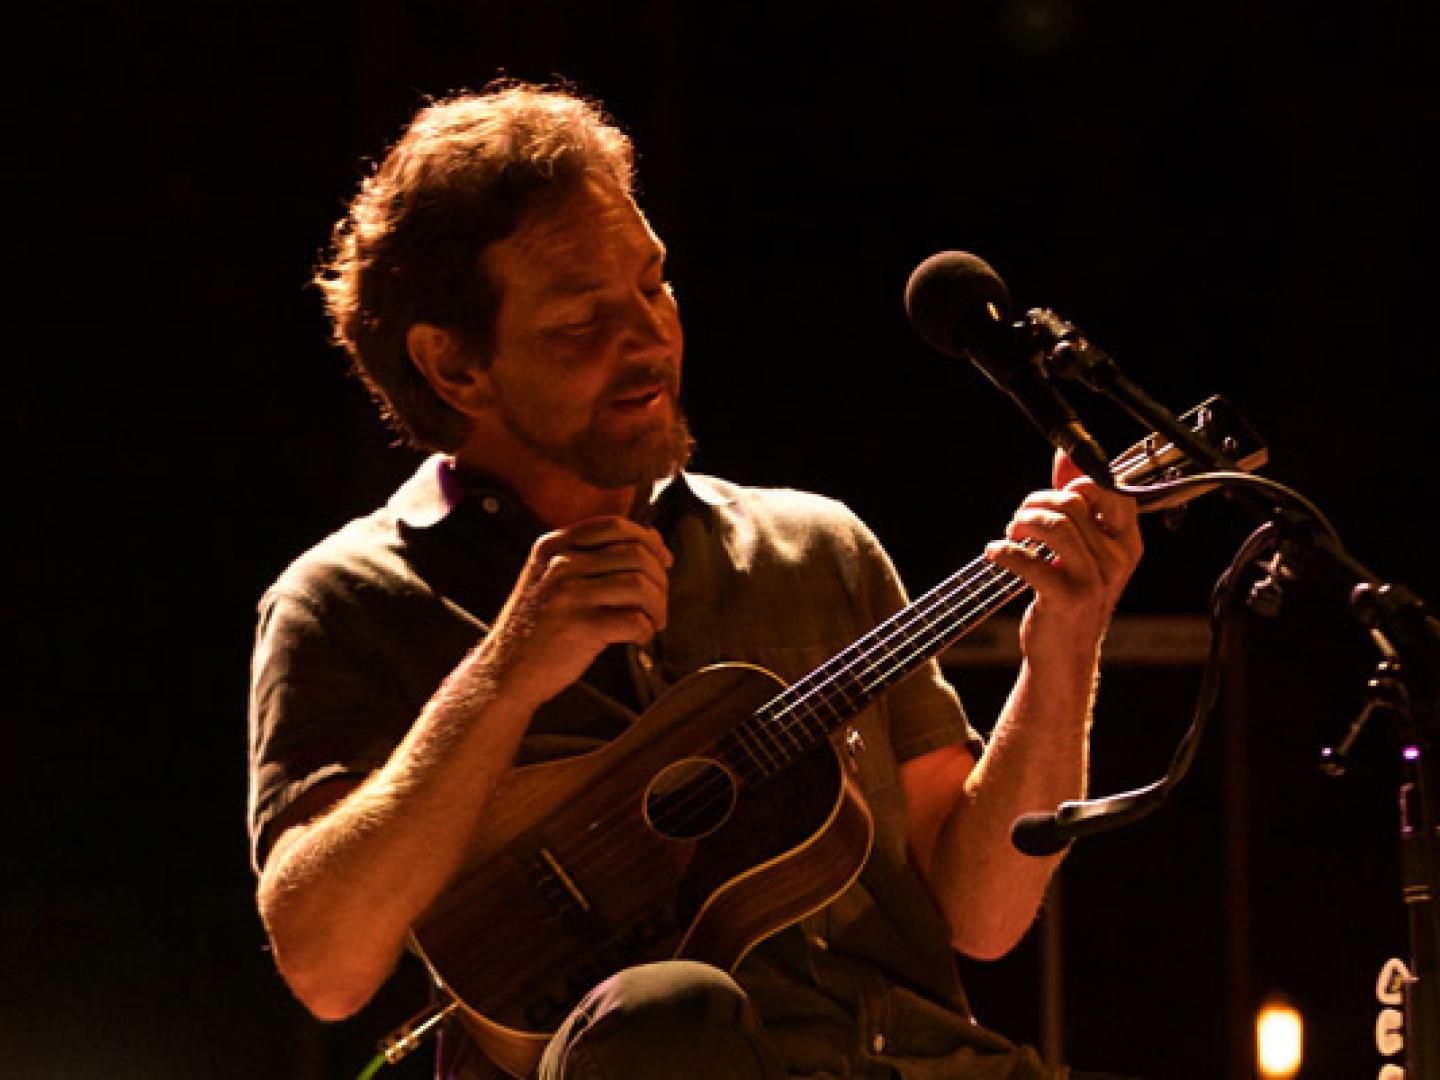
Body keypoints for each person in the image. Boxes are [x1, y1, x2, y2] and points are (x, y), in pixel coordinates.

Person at [246, 79, 1144, 1080]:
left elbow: (982, 914)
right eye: (583, 320)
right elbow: (324, 962)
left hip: (908, 1063)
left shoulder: (816, 549)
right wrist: (505, 672)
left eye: (653, 284)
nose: (648, 338)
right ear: (454, 366)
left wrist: (1065, 646)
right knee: (671, 1017)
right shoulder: (351, 600)